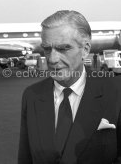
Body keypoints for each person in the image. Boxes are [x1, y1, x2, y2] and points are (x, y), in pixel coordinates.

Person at [18, 10, 121, 164]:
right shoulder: (31, 95)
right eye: (47, 49)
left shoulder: (115, 91)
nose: (52, 59)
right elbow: (25, 157)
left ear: (85, 49)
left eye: (63, 49)